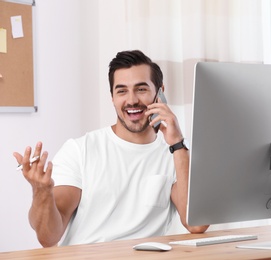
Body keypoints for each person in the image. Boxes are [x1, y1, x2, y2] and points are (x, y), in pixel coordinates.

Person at [13, 50, 209, 247]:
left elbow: (196, 225)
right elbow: (48, 237)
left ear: (160, 93)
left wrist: (177, 143)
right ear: (112, 98)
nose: (131, 100)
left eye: (141, 89)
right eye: (122, 91)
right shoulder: (81, 150)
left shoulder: (178, 153)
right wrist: (41, 192)